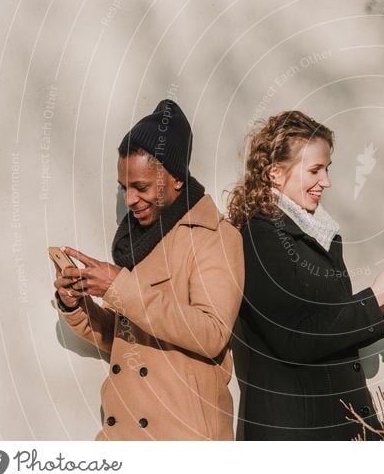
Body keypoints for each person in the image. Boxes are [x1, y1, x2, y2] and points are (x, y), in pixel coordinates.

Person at [53, 99, 244, 440]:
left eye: (140, 187)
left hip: (182, 437)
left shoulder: (214, 236)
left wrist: (119, 286)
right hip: (124, 436)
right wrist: (76, 304)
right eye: (124, 188)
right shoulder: (137, 241)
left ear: (176, 180)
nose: (129, 200)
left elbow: (211, 333)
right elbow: (127, 339)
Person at [228, 110, 384, 440]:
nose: (327, 181)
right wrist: (372, 302)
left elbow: (328, 325)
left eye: (327, 168)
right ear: (276, 173)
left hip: (334, 421)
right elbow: (294, 338)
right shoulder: (260, 237)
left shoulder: (316, 233)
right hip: (295, 429)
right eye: (315, 170)